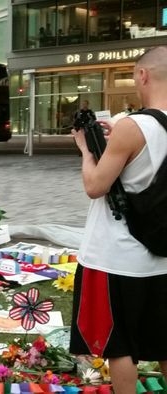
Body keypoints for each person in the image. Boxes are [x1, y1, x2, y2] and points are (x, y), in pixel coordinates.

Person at [69, 46, 167, 394]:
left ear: (143, 75)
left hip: (117, 256)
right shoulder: (135, 128)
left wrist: (85, 149)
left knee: (121, 345)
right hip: (162, 256)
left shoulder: (132, 127)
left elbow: (96, 186)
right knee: (163, 340)